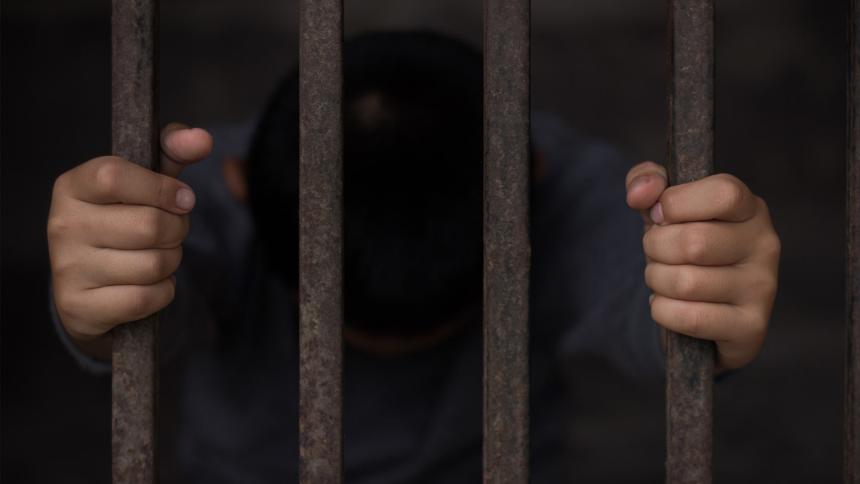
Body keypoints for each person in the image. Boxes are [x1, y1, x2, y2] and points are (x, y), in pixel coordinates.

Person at [46, 31, 780, 482]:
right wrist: (95, 306)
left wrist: (706, 308)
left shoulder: (565, 191)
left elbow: (647, 298)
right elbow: (139, 305)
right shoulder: (185, 204)